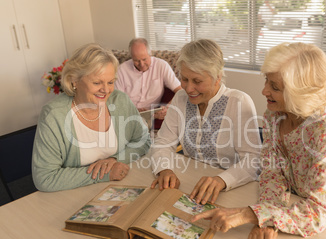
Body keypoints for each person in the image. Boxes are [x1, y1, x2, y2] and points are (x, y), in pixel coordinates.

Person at [192, 42, 326, 239]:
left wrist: (251, 214)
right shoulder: (274, 115)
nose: (264, 90)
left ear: (300, 93)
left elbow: (317, 214)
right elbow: (273, 174)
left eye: (275, 87)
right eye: (266, 80)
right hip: (301, 206)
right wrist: (266, 216)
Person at [150, 39, 261, 205]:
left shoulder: (238, 102)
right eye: (184, 79)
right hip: (189, 183)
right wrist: (164, 169)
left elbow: (254, 160)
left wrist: (222, 180)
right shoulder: (180, 98)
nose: (188, 88)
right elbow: (163, 142)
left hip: (231, 189)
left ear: (217, 77)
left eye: (197, 81)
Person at [32, 43, 151, 192]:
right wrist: (103, 174)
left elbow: (143, 139)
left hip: (120, 187)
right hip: (72, 197)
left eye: (110, 82)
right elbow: (45, 178)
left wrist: (115, 160)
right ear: (74, 80)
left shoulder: (120, 100)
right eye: (97, 82)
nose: (106, 90)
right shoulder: (54, 115)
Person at [115, 38, 182, 120]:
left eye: (144, 59)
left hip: (153, 115)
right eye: (136, 60)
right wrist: (133, 111)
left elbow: (180, 90)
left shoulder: (162, 66)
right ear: (131, 57)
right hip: (128, 114)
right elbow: (117, 99)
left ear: (150, 54)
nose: (141, 64)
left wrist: (167, 108)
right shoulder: (121, 70)